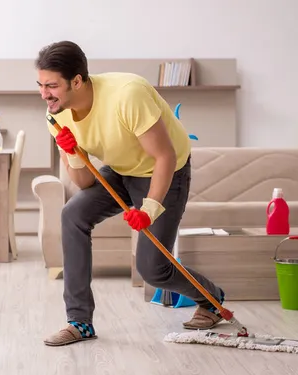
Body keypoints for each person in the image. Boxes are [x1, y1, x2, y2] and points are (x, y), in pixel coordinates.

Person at [35, 41, 226, 346]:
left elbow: (164, 155)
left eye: (52, 86)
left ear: (77, 81)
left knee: (153, 269)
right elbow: (84, 182)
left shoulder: (127, 95)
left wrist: (149, 209)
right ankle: (80, 321)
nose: (45, 94)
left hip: (166, 170)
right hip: (122, 170)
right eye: (41, 85)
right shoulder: (57, 116)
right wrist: (70, 152)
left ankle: (211, 300)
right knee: (73, 213)